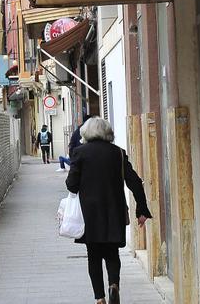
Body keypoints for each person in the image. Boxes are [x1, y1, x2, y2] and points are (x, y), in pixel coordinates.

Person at [66, 117, 152, 304]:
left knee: (94, 257)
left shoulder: (79, 153)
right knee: (112, 254)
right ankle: (114, 285)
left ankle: (100, 299)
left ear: (86, 133)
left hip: (90, 215)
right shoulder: (118, 153)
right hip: (114, 212)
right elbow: (135, 182)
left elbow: (71, 185)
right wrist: (142, 209)